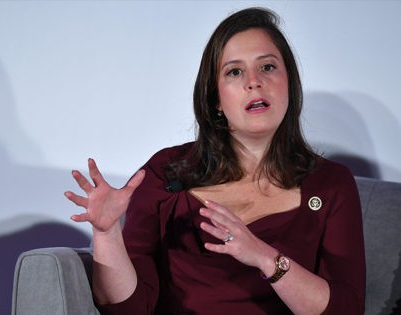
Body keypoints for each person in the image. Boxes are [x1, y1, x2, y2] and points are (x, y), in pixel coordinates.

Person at [65, 7, 365, 315]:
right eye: (234, 72)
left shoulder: (330, 184)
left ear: (289, 82)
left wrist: (264, 257)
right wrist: (107, 234)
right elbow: (129, 309)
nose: (254, 82)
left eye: (268, 67)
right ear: (216, 100)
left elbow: (346, 309)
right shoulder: (165, 173)